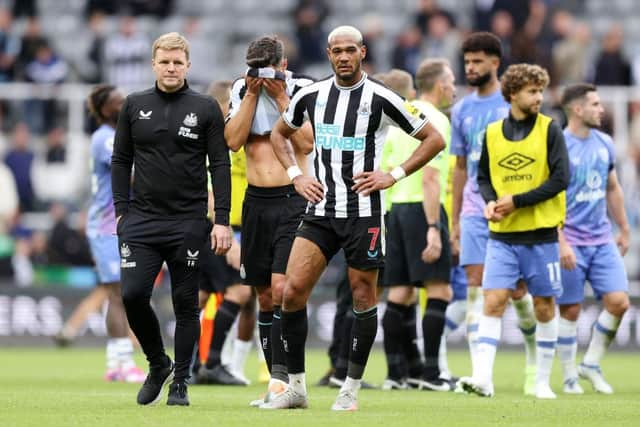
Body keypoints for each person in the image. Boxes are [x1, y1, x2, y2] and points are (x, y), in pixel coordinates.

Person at [268, 25, 445, 411]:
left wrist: (392, 174)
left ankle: (350, 389)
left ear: (362, 52)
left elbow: (434, 138)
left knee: (363, 298)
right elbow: (279, 135)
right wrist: (297, 176)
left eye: (350, 50)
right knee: (290, 292)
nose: (344, 57)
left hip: (364, 214)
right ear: (329, 54)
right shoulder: (311, 95)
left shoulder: (382, 97)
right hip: (320, 211)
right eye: (337, 51)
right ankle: (295, 388)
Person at [111, 32, 231, 406]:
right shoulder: (133, 105)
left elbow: (221, 163)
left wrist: (222, 220)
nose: (171, 68)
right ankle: (157, 363)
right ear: (154, 64)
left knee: (186, 304)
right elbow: (120, 160)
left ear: (188, 65)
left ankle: (180, 381)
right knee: (132, 295)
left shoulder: (206, 107)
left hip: (188, 221)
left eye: (178, 62)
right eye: (165, 61)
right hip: (142, 221)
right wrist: (121, 212)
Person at [459, 63, 569, 399]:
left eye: (540, 91)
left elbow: (560, 179)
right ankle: (483, 379)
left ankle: (540, 381)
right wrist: (492, 201)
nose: (539, 97)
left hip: (541, 235)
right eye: (532, 91)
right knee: (493, 301)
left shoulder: (550, 130)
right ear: (512, 94)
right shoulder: (491, 133)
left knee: (545, 306)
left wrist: (515, 201)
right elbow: (482, 178)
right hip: (503, 237)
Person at [224, 35, 315, 406]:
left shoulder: (301, 88)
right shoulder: (239, 88)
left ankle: (290, 379)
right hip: (256, 202)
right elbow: (232, 141)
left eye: (268, 68)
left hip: (293, 198)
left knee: (282, 290)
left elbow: (307, 142)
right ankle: (277, 384)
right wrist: (249, 94)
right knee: (263, 295)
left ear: (281, 64)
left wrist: (280, 97)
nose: (261, 75)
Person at [450, 32, 538, 393]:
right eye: (467, 62)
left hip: (513, 211)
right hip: (474, 210)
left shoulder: (514, 107)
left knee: (518, 292)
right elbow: (459, 168)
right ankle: (480, 376)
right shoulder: (461, 110)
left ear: (495, 63)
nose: (470, 68)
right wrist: (455, 219)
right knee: (476, 288)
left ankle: (534, 361)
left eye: (477, 62)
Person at [381, 62, 456, 392]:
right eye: (452, 81)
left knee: (399, 293)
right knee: (440, 290)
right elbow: (430, 176)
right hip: (422, 210)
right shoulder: (436, 121)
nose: (454, 88)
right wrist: (433, 228)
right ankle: (431, 374)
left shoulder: (399, 118)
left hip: (394, 209)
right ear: (439, 85)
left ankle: (396, 374)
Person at [556, 83, 631, 395]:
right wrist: (559, 240)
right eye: (596, 104)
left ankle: (591, 363)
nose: (602, 109)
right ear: (578, 109)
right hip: (568, 239)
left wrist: (624, 228)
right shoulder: (557, 144)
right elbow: (549, 197)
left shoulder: (605, 142)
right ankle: (569, 374)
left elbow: (611, 187)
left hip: (601, 239)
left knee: (619, 302)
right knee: (570, 310)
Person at [83, 84, 146, 383]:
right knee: (118, 294)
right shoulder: (105, 139)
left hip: (123, 223)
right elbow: (131, 176)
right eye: (118, 101)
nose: (124, 104)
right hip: (106, 226)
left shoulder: (119, 135)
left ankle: (115, 363)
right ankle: (122, 363)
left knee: (122, 294)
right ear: (104, 109)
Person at [195, 80, 252, 386]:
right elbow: (211, 189)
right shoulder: (216, 137)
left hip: (212, 226)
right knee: (240, 291)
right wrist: (225, 230)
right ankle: (212, 363)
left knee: (201, 296)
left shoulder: (214, 134)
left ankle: (188, 366)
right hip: (217, 227)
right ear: (223, 105)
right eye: (233, 104)